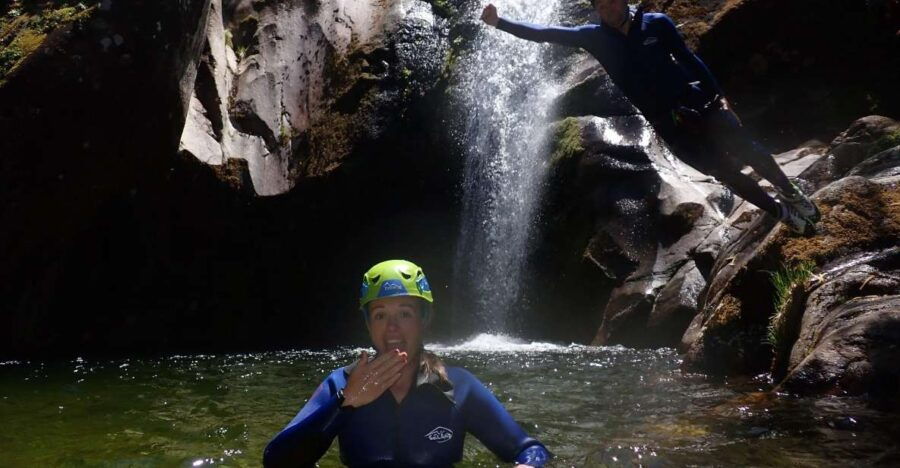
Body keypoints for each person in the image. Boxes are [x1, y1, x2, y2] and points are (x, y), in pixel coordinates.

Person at [480, 0, 821, 234]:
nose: (607, 8)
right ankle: (780, 213)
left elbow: (689, 60)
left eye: (611, 1)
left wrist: (718, 96)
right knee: (725, 173)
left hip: (700, 103)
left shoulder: (657, 24)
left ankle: (790, 192)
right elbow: (545, 33)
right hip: (668, 124)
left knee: (750, 150)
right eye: (599, 5)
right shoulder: (593, 37)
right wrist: (499, 23)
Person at [263, 259, 551, 467]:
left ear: (424, 319)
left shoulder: (459, 387)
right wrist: (345, 402)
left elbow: (530, 450)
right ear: (368, 325)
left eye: (405, 314)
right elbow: (276, 461)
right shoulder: (341, 384)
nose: (392, 328)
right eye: (380, 315)